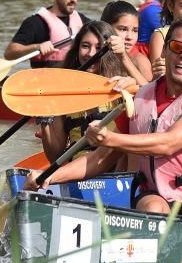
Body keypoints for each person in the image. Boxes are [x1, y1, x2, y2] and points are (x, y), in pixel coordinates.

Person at [26, 15, 182, 218]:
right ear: (164, 50)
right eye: (177, 47)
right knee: (153, 206)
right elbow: (99, 159)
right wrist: (48, 177)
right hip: (158, 195)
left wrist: (111, 139)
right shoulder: (141, 97)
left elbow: (169, 143)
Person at [37, 21, 129, 162]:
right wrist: (45, 121)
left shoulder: (122, 84)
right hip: (77, 171)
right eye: (85, 46)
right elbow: (55, 156)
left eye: (99, 47)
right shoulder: (65, 91)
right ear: (77, 49)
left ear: (109, 52)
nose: (91, 54)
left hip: (113, 167)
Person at [3, 0, 90, 66]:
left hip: (76, 77)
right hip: (46, 78)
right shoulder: (35, 23)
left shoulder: (83, 21)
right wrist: (36, 47)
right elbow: (9, 53)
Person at [100, 0, 151, 84]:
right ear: (106, 28)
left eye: (135, 30)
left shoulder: (140, 62)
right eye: (123, 29)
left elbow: (149, 92)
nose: (129, 37)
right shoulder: (93, 52)